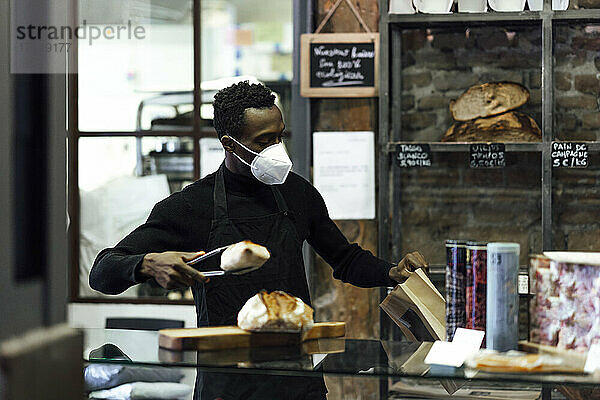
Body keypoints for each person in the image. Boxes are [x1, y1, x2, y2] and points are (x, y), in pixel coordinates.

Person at [89, 81, 428, 399]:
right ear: (228, 144)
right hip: (227, 383)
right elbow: (102, 272)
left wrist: (391, 273)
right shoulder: (190, 206)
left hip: (298, 379)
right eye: (263, 141)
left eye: (279, 138)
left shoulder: (297, 193)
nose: (276, 150)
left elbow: (346, 259)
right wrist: (146, 263)